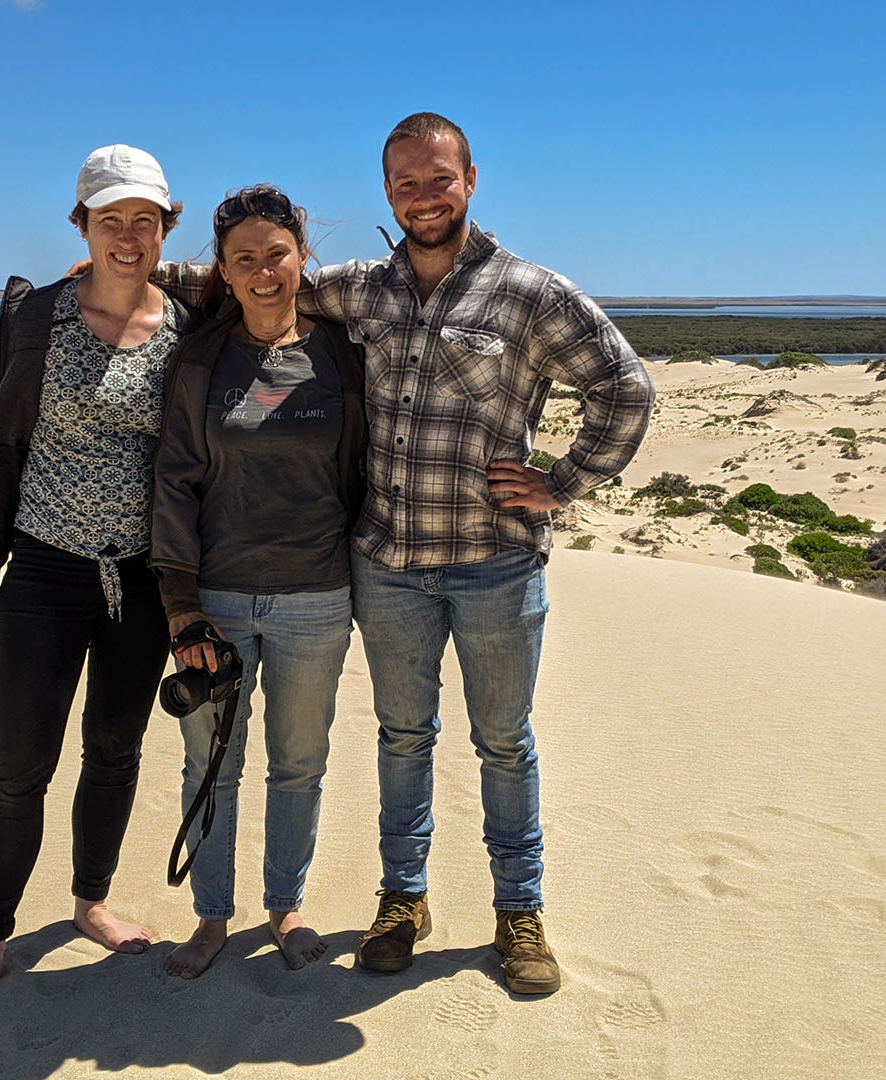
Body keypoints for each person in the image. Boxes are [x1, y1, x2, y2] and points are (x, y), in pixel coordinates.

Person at [160, 114, 656, 993]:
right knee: (402, 738)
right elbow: (254, 274)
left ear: (471, 179)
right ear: (386, 191)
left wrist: (564, 481)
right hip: (387, 565)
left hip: (495, 563)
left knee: (504, 742)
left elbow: (625, 386)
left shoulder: (529, 292)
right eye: (405, 184)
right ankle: (404, 899)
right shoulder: (363, 288)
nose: (423, 198)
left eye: (438, 180)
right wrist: (124, 269)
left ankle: (519, 911)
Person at [0, 144, 197, 1021]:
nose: (129, 236)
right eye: (110, 218)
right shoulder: (37, 316)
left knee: (115, 753)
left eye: (145, 220)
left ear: (167, 227)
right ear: (81, 225)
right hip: (44, 571)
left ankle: (90, 903)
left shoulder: (189, 323)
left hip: (142, 582)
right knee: (17, 768)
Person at [147, 185, 367, 979]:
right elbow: (172, 481)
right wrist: (181, 606)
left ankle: (286, 904)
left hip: (318, 595)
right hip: (218, 602)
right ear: (226, 272)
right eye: (245, 259)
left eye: (277, 253)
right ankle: (211, 917)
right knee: (211, 764)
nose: (264, 271)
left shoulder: (342, 350)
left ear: (303, 256)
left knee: (300, 762)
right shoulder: (202, 359)